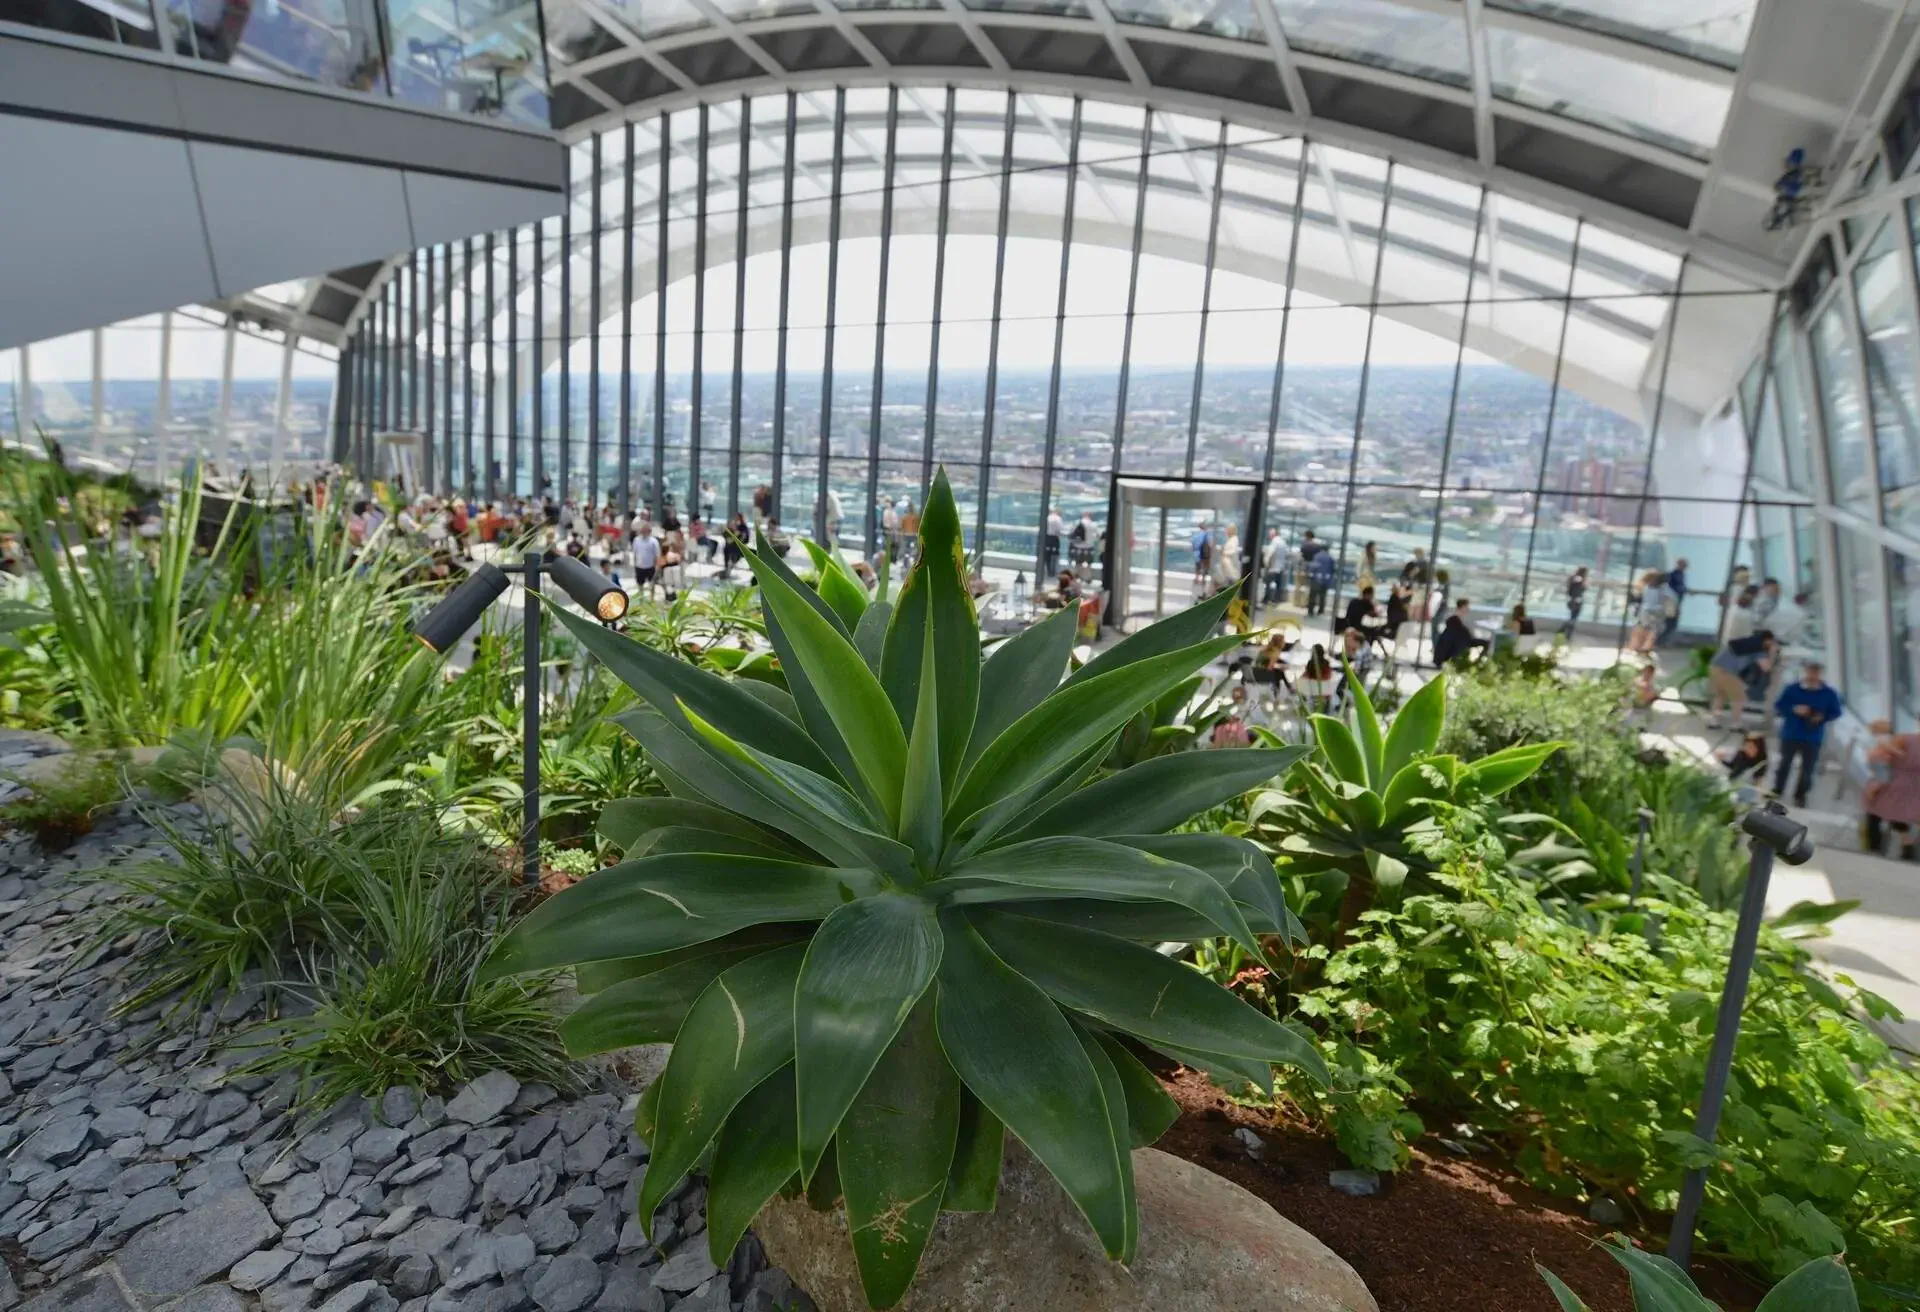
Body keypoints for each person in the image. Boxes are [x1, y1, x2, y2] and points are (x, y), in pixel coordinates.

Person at [1773, 661, 1843, 808]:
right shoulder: (1792, 689)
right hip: (1791, 734)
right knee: (1784, 764)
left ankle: (1800, 795)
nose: (1812, 675)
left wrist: (1821, 717)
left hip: (1812, 736)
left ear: (1820, 674)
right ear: (1805, 672)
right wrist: (1793, 709)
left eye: (1816, 672)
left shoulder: (1829, 693)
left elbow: (1836, 712)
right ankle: (1777, 790)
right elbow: (1779, 706)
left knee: (1807, 769)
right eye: (1810, 671)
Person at [1864, 721, 1920, 859]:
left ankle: (1875, 846)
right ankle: (1907, 844)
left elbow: (1884, 758)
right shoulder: (1906, 739)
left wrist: (1886, 748)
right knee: (1899, 812)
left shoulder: (1906, 739)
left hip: (1896, 782)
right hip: (1915, 786)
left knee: (1875, 810)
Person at [1706, 629, 1776, 730]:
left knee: (1721, 696)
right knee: (1739, 697)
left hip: (1714, 667)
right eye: (1771, 642)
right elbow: (1766, 667)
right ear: (1767, 640)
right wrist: (1772, 653)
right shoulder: (1758, 649)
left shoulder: (1745, 642)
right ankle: (1736, 723)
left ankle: (1714, 720)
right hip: (1726, 671)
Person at [1432, 599, 1487, 667]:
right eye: (1467, 607)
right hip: (1454, 651)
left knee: (1485, 643)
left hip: (1455, 648)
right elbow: (1464, 638)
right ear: (1463, 607)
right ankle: (1477, 664)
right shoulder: (1456, 622)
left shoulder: (1456, 620)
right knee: (1486, 643)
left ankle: (1476, 664)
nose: (1468, 609)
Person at [1628, 569, 1669, 654]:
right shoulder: (1661, 589)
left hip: (1647, 612)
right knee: (1649, 631)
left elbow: (1643, 600)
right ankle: (1643, 648)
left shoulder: (1649, 588)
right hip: (1652, 613)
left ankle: (1639, 647)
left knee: (1643, 631)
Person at [1660, 558, 1689, 645]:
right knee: (1670, 621)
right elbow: (1674, 587)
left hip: (1676, 601)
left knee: (1672, 622)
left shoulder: (1680, 575)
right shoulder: (1673, 575)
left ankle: (1663, 640)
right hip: (1671, 601)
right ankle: (1661, 640)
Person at [631, 523, 661, 601]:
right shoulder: (636, 540)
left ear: (649, 531)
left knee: (652, 585)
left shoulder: (653, 541)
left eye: (646, 530)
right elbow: (634, 553)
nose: (644, 532)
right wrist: (634, 565)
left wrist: (657, 567)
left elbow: (657, 555)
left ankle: (652, 599)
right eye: (642, 530)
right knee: (640, 585)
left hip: (650, 566)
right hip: (639, 566)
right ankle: (641, 600)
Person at [1306, 538, 1335, 616]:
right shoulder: (1330, 558)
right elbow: (1332, 569)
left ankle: (1310, 611)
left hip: (1316, 578)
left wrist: (1310, 574)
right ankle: (1320, 611)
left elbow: (1313, 567)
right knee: (1322, 596)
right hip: (1325, 579)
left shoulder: (1316, 556)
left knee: (1313, 596)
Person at [1260, 528, 1287, 604]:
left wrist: (1266, 563)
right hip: (1281, 567)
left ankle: (1266, 599)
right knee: (1278, 585)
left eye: (1270, 534)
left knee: (1267, 583)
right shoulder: (1283, 542)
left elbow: (1270, 554)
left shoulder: (1274, 542)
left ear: (1273, 534)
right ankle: (1276, 599)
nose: (1269, 536)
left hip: (1273, 567)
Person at [1561, 566, 1588, 636]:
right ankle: (1566, 631)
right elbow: (1579, 589)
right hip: (1577, 600)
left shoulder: (1574, 578)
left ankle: (1566, 631)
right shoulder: (1579, 579)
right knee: (1574, 617)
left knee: (1573, 616)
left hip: (1572, 599)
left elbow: (1571, 588)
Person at [1045, 506, 1065, 575]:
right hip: (1054, 538)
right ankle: (1053, 571)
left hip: (1047, 538)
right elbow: (1061, 529)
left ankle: (1048, 570)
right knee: (1055, 555)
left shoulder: (1048, 517)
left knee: (1047, 555)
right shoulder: (1058, 518)